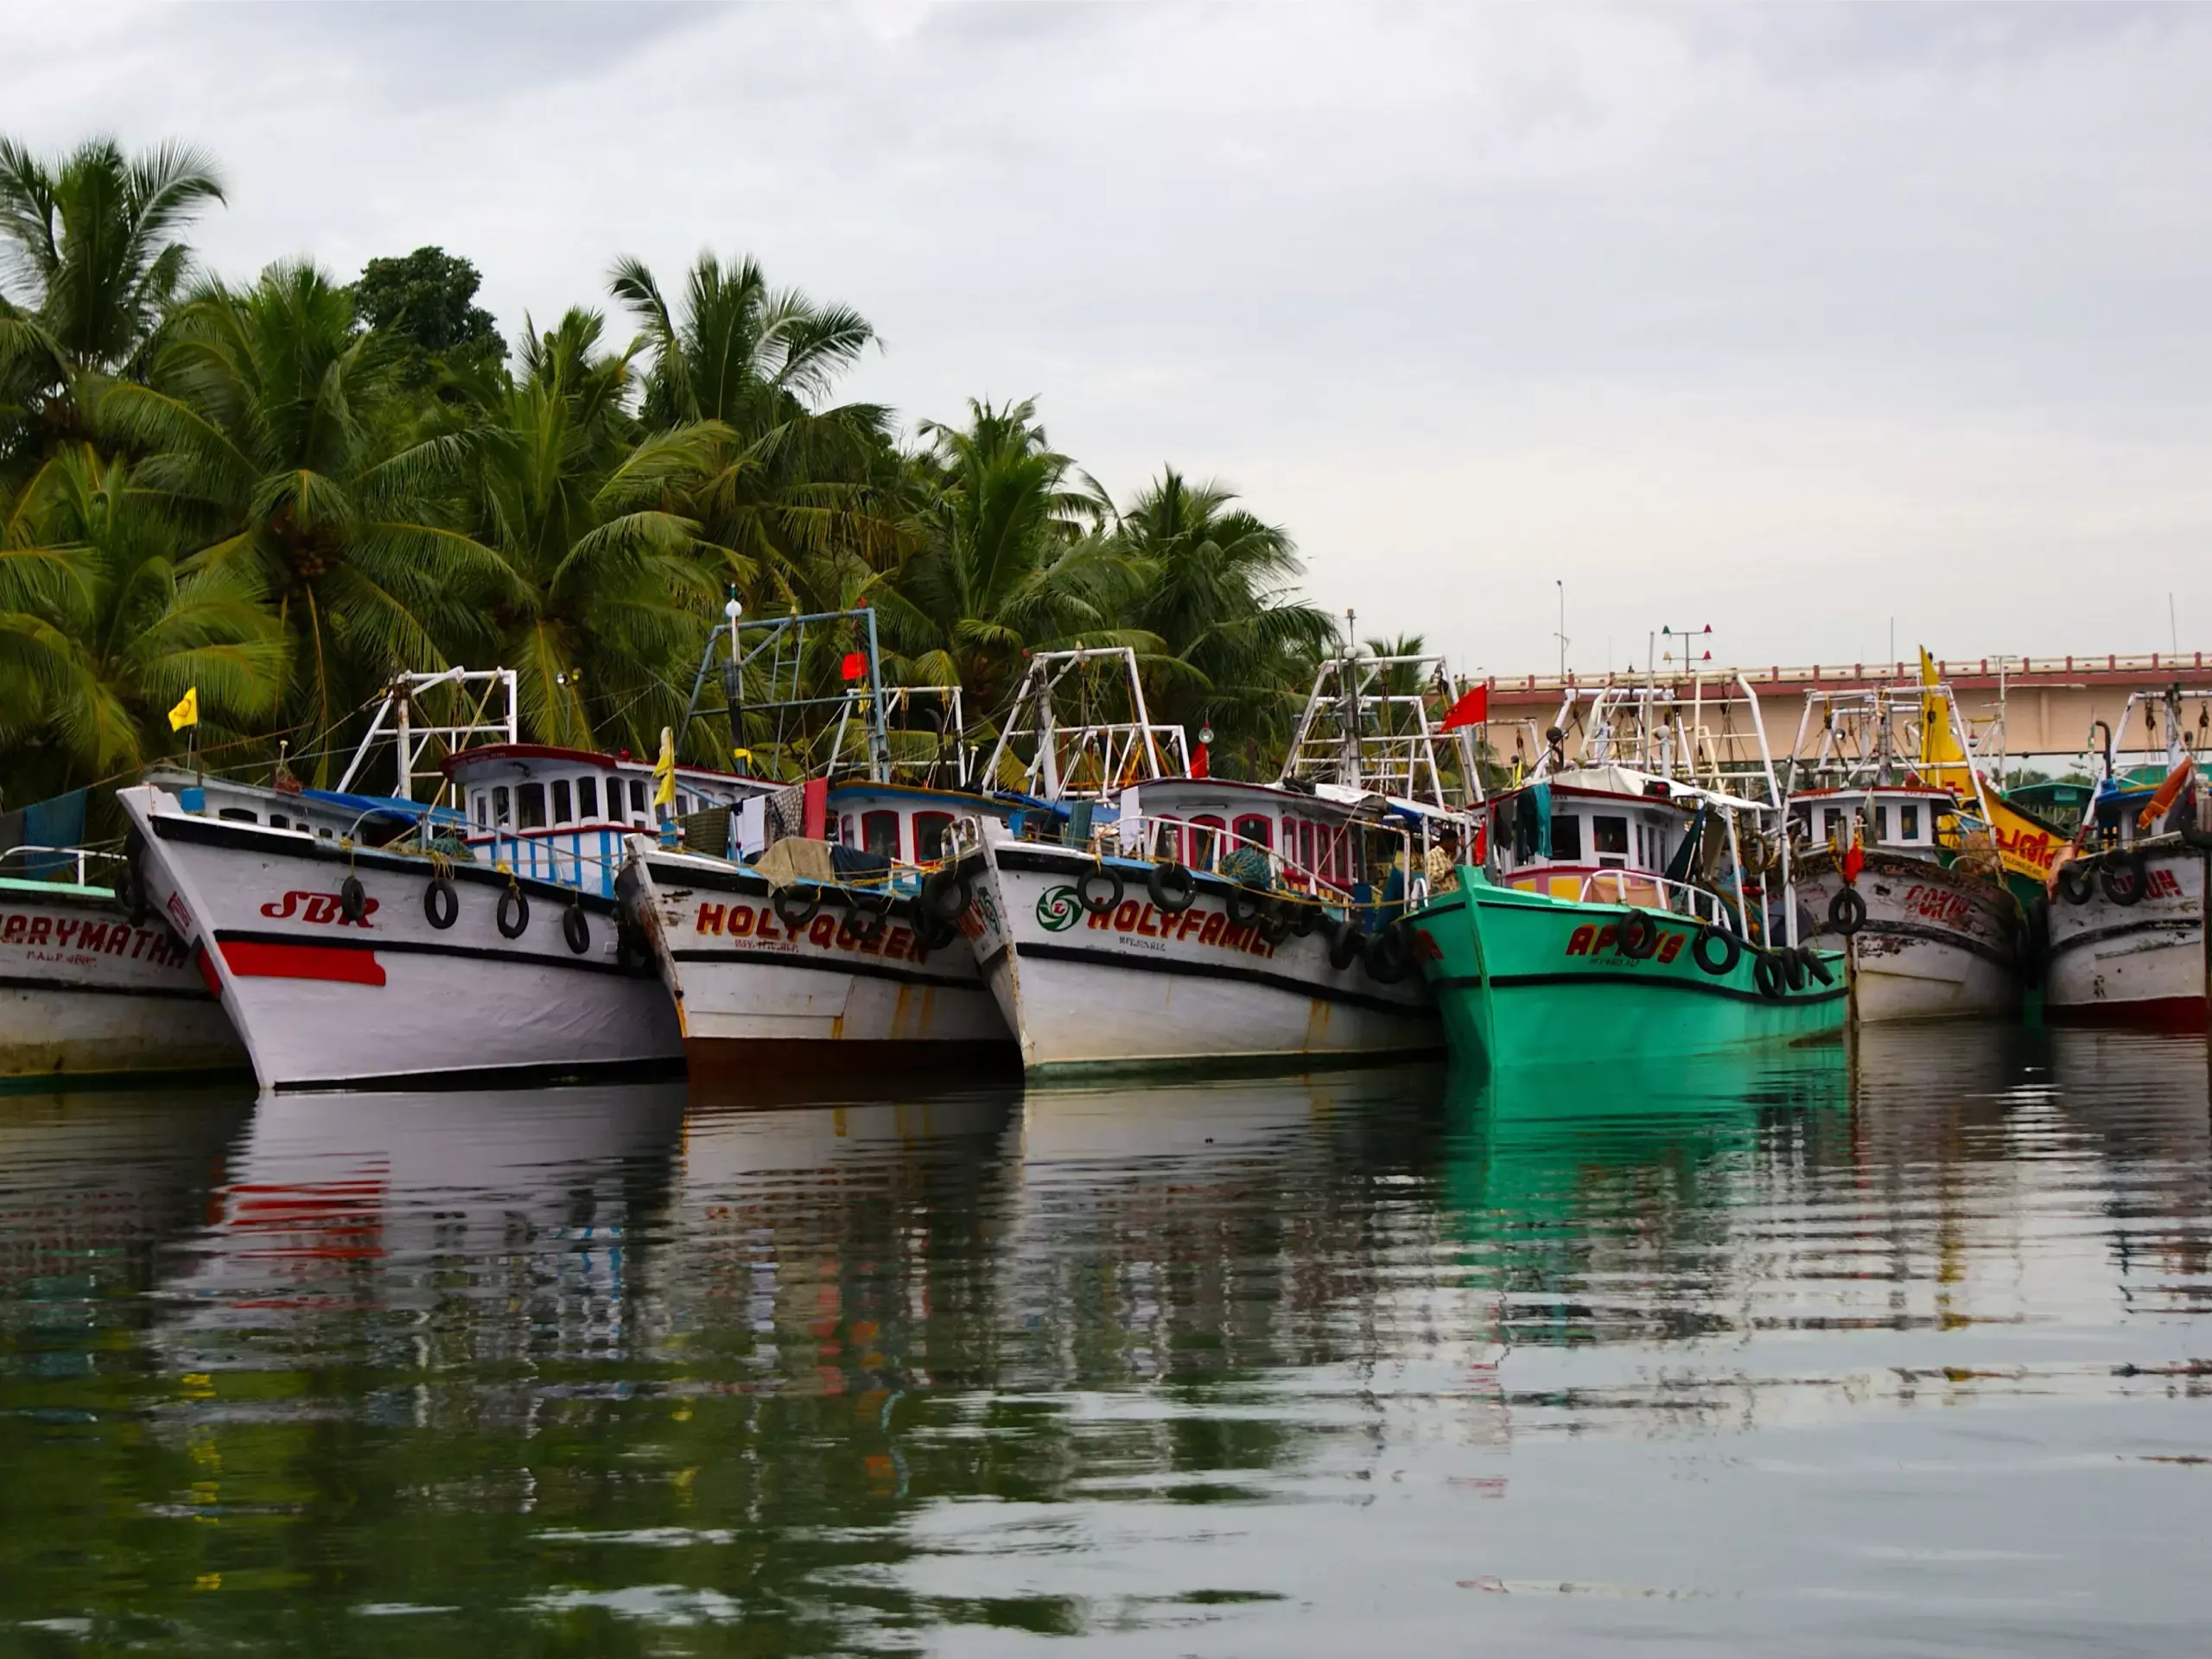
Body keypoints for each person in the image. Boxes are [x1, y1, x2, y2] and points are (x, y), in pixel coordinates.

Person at [1424, 825, 1462, 895]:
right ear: (1446, 841)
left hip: (1454, 896)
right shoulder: (1433, 854)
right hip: (1444, 898)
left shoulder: (1447, 857)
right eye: (1454, 841)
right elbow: (1433, 876)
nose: (1456, 844)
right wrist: (1451, 870)